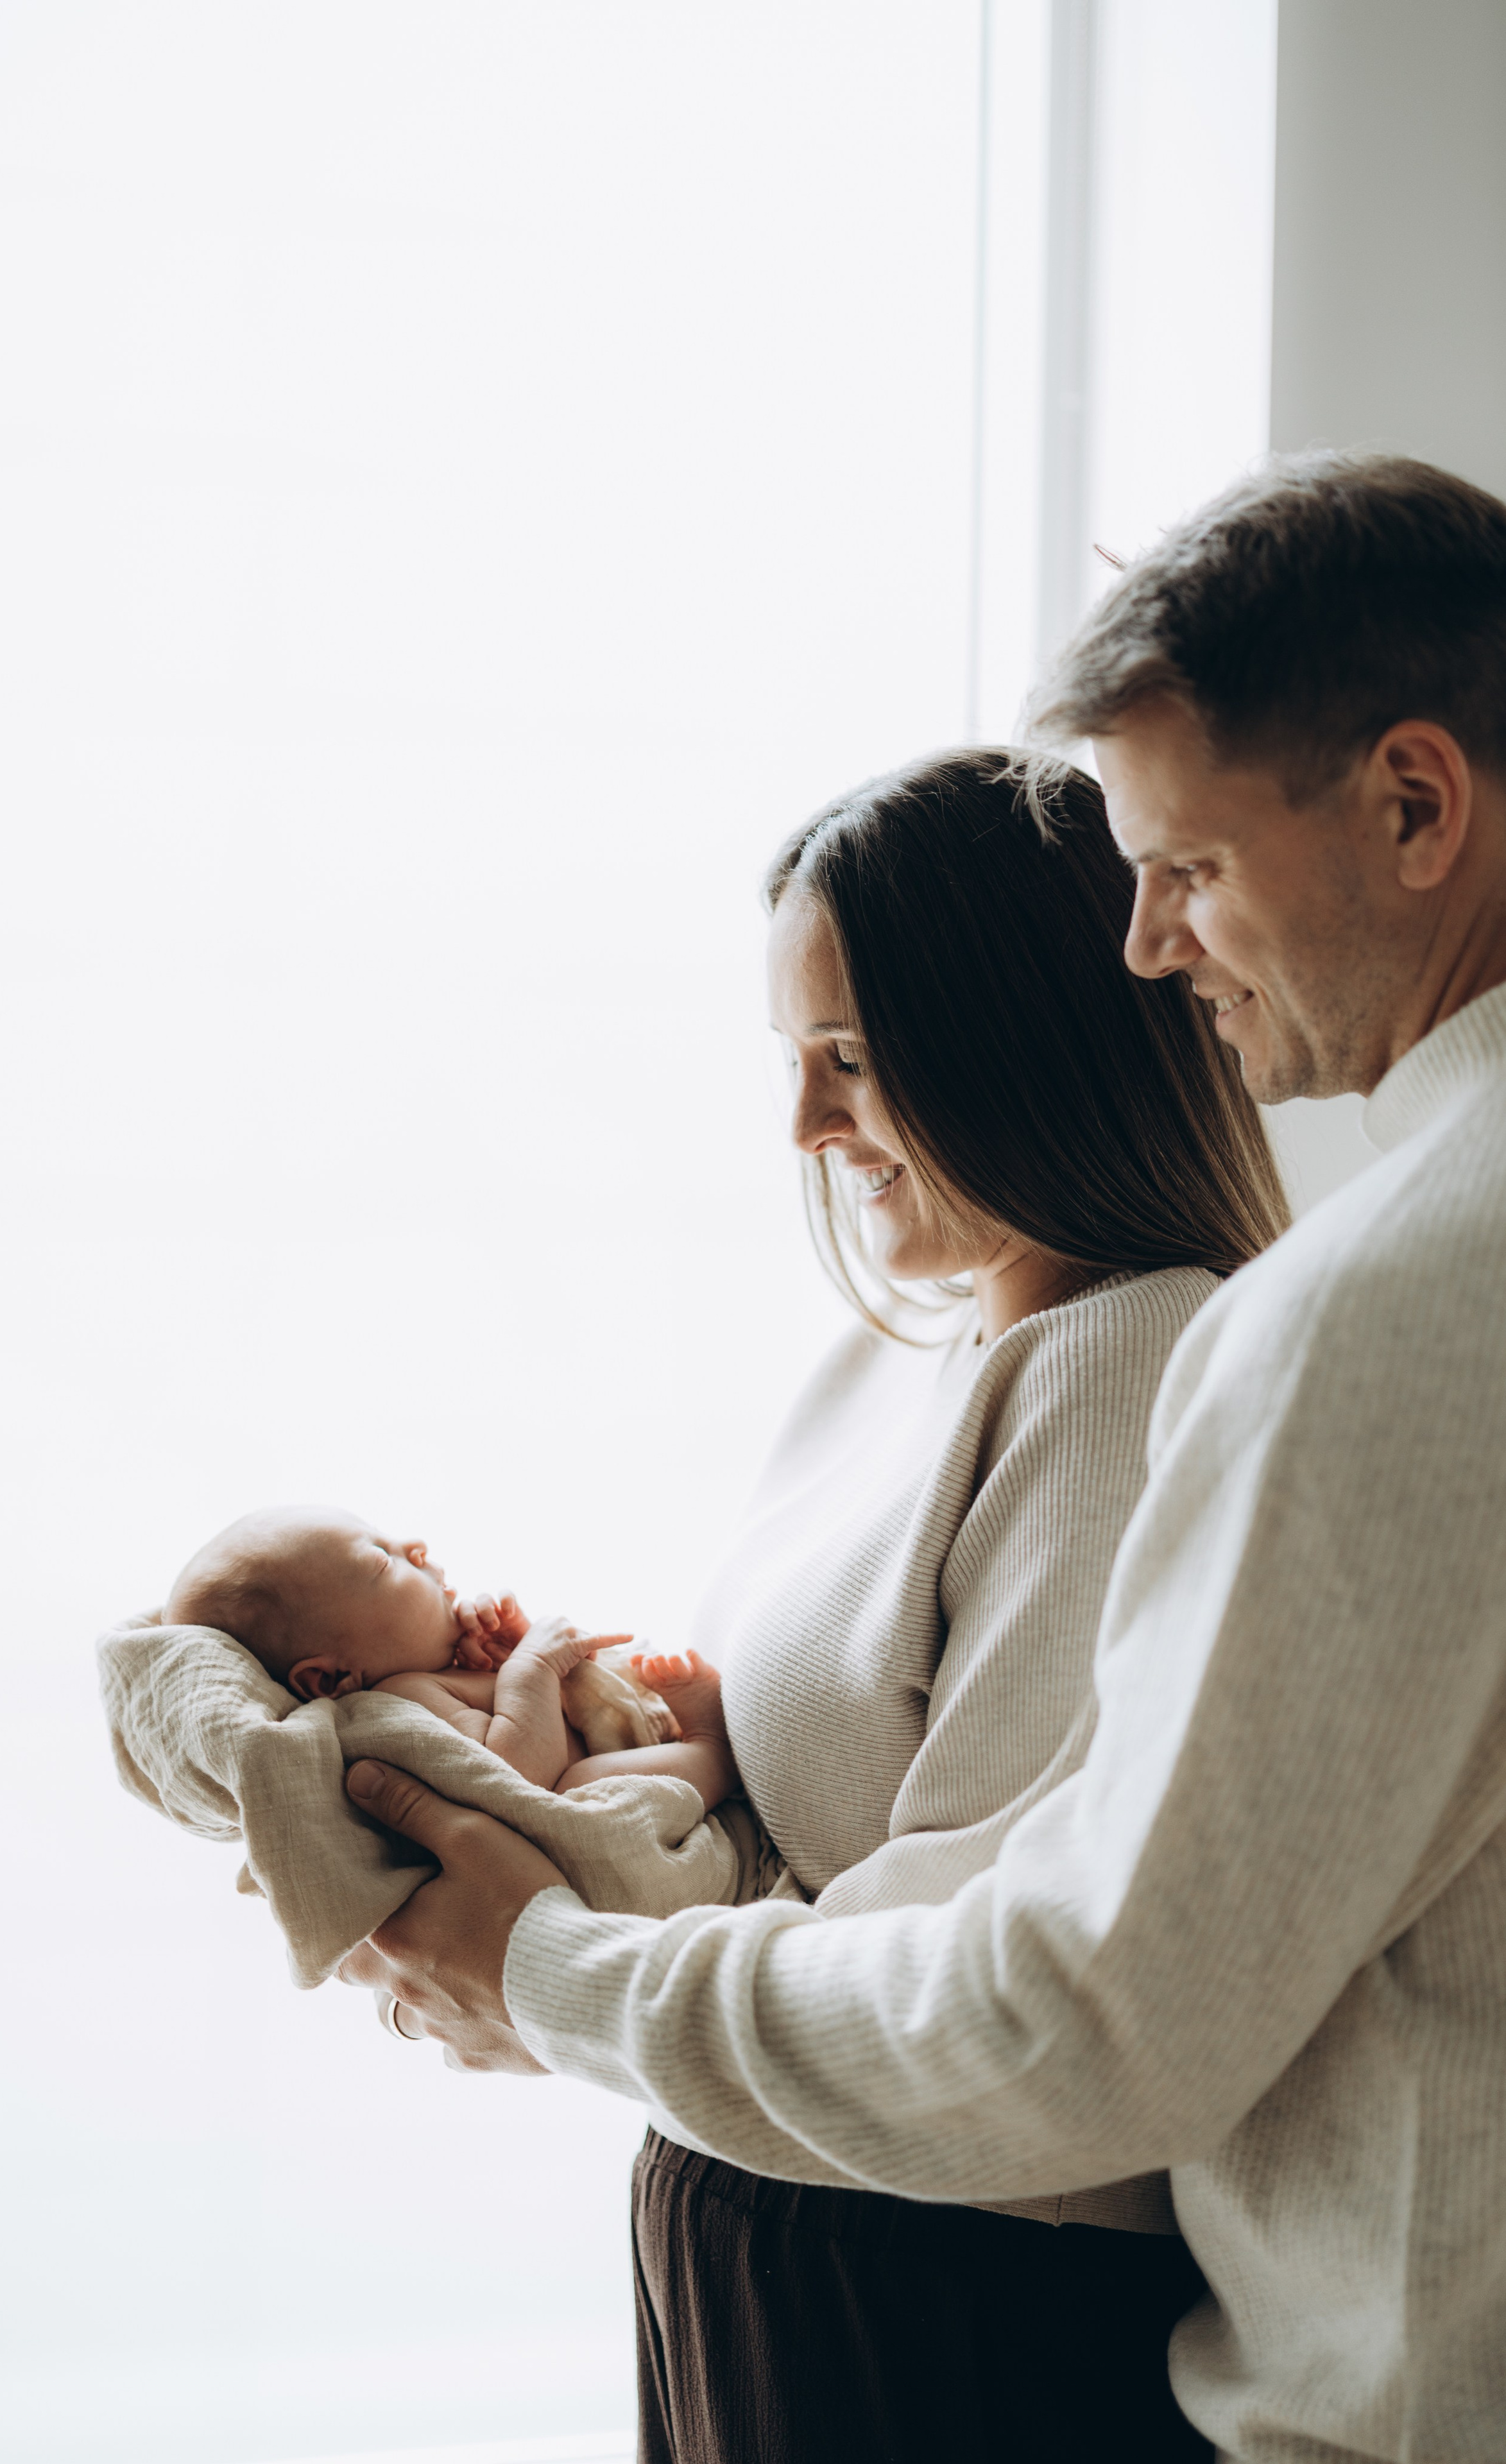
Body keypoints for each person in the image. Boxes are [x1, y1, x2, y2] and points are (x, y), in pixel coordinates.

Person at [339, 452, 1506, 2463]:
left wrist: (552, 1969)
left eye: (1187, 865)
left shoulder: (1381, 1312)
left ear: (1416, 805)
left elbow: (1087, 2017)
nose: (1146, 948)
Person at [350, 746, 1288, 2461]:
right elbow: (814, 1819)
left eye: (849, 1058)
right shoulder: (903, 1360)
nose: (803, 1124)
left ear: (1018, 1040)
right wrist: (609, 1741)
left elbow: (978, 1962)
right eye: (792, 1057)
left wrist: (551, 1961)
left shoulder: (1128, 1367)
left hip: (943, 2294)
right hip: (777, 2228)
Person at [163, 1504, 729, 1800]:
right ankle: (711, 1754)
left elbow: (555, 1709)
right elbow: (519, 1778)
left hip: (625, 1740)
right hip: (597, 1784)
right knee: (580, 1789)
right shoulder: (398, 1700)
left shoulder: (440, 1670)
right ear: (330, 1680)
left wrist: (513, 1652)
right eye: (382, 1560)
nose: (415, 1546)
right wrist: (532, 1667)